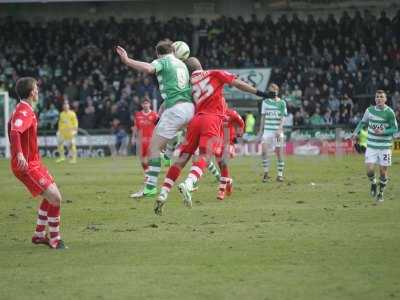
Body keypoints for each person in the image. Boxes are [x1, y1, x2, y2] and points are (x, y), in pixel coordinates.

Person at [154, 57, 269, 215]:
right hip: (212, 120)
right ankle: (188, 183)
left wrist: (161, 119)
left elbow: (172, 102)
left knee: (181, 159)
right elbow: (238, 84)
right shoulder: (214, 73)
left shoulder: (189, 85)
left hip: (195, 121)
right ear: (201, 65)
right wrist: (260, 93)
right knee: (205, 156)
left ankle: (163, 193)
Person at [116, 41, 194, 197]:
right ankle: (172, 145)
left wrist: (127, 60)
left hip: (175, 111)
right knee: (169, 138)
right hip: (189, 108)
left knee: (154, 148)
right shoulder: (182, 64)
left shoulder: (163, 61)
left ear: (158, 53)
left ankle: (150, 187)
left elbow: (148, 68)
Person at [8, 77, 66, 249]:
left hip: (34, 162)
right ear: (32, 92)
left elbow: (10, 125)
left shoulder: (24, 109)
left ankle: (39, 235)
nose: (38, 91)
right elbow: (15, 131)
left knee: (52, 195)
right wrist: (19, 154)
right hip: (26, 166)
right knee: (55, 198)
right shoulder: (23, 112)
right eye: (36, 88)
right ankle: (54, 239)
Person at [352, 90, 398, 202]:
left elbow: (395, 128)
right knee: (369, 170)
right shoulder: (369, 111)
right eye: (377, 97)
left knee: (383, 172)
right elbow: (362, 122)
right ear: (375, 99)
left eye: (381, 97)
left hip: (385, 147)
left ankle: (381, 193)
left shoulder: (389, 112)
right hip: (372, 145)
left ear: (385, 99)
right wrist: (355, 132)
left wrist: (383, 131)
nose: (379, 99)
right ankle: (373, 183)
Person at [256, 83, 287, 182]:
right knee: (264, 152)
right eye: (270, 91)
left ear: (277, 92)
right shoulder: (265, 102)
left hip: (278, 132)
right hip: (267, 132)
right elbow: (263, 117)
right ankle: (266, 174)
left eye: (273, 91)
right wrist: (260, 131)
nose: (272, 92)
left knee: (279, 152)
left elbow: (283, 117)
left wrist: (279, 129)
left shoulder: (282, 103)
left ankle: (280, 175)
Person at [130, 97, 158, 198]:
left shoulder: (154, 115)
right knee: (142, 160)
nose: (145, 105)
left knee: (150, 160)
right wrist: (133, 137)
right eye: (144, 103)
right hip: (141, 142)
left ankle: (149, 180)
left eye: (147, 103)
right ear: (142, 105)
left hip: (151, 141)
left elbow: (159, 126)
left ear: (149, 104)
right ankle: (147, 175)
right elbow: (136, 127)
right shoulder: (138, 115)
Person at [215, 108, 245, 201]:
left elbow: (241, 122)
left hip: (229, 142)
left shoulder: (231, 113)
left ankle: (221, 190)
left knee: (224, 162)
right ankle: (228, 181)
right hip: (217, 142)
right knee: (221, 166)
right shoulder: (213, 113)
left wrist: (239, 133)